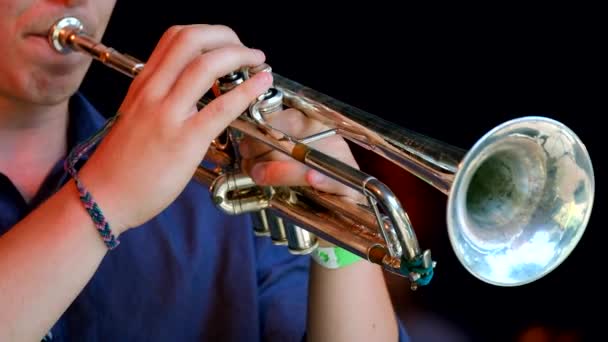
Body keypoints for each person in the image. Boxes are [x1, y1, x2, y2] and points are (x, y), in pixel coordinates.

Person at [0, 1, 409, 341]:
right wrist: (106, 195)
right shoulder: (142, 178)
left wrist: (337, 228)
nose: (74, 2)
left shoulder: (216, 184)